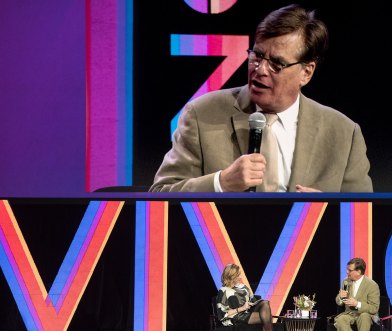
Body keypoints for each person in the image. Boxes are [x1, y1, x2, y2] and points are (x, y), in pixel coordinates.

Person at [150, 4, 373, 193]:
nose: (260, 69)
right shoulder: (202, 114)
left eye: (277, 63)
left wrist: (331, 209)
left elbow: (365, 218)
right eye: (257, 55)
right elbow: (160, 193)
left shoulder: (344, 134)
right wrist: (221, 182)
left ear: (306, 72)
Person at [216, 263, 285, 331]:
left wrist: (251, 304)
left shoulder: (243, 287)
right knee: (266, 318)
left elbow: (252, 301)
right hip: (236, 317)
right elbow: (222, 314)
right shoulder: (223, 291)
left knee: (265, 302)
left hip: (248, 312)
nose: (240, 277)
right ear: (231, 275)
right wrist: (241, 308)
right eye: (238, 275)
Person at [334, 257, 380, 331]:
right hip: (349, 314)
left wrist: (357, 304)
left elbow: (374, 308)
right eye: (347, 270)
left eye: (350, 270)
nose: (347, 272)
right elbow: (338, 302)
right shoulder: (346, 282)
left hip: (365, 313)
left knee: (364, 316)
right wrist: (341, 297)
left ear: (358, 271)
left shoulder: (372, 285)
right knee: (339, 320)